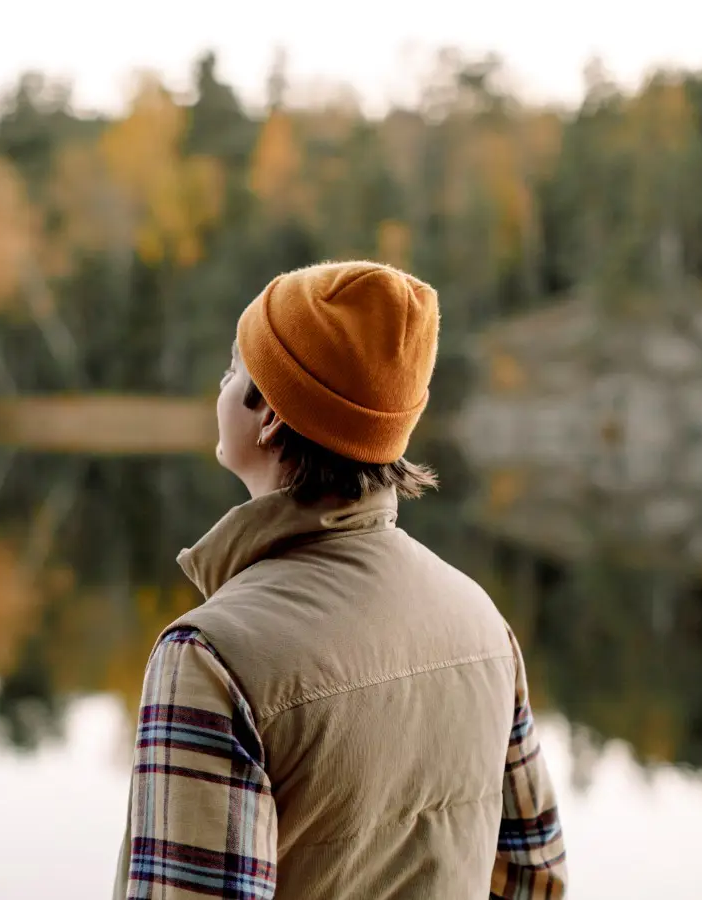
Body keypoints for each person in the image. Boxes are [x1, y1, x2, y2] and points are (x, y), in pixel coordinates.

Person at [113, 261, 567, 899]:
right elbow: (536, 878)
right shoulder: (482, 621)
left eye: (231, 371)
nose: (219, 389)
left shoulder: (208, 659)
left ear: (268, 414)